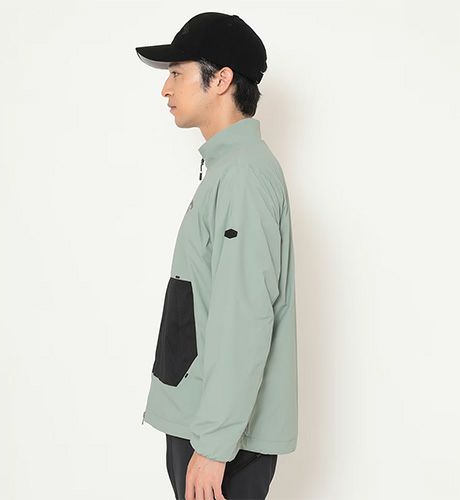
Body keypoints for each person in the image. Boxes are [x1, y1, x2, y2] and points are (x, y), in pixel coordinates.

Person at [135, 12, 298, 500]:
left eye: (176, 73)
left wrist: (214, 444)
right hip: (208, 421)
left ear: (221, 79)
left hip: (219, 436)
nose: (165, 89)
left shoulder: (242, 177)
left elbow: (244, 316)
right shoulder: (229, 169)